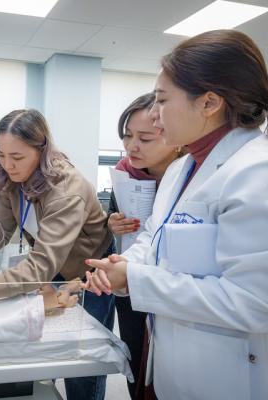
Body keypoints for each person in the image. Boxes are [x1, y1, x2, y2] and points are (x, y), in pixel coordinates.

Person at [84, 29, 268, 400]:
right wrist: (124, 265)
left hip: (234, 380)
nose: (154, 115)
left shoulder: (263, 170)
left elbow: (257, 303)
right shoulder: (182, 169)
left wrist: (137, 280)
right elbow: (154, 236)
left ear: (209, 103)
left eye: (162, 101)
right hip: (177, 371)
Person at [0, 109, 115, 400]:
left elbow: (39, 268)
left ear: (41, 150)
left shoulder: (67, 190)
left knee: (82, 357)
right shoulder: (10, 176)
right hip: (53, 263)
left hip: (91, 269)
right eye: (2, 155)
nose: (7, 165)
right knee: (48, 346)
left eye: (16, 157)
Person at [107, 93, 180, 400]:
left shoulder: (188, 178)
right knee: (136, 358)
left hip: (171, 288)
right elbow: (113, 221)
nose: (131, 146)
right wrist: (111, 224)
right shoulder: (124, 172)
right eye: (127, 136)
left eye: (145, 138)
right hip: (130, 282)